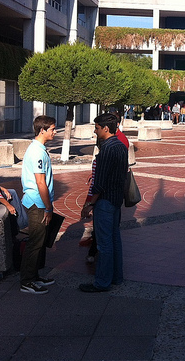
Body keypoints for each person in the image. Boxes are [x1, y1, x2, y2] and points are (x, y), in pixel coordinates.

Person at [79, 113, 128, 293]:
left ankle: (102, 282)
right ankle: (116, 277)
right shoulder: (121, 145)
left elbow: (99, 182)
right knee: (115, 239)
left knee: (104, 243)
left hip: (105, 201)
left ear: (106, 128)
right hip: (116, 199)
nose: (95, 131)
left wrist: (89, 204)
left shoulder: (107, 148)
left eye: (97, 128)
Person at [20, 115, 57, 295]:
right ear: (42, 130)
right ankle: (27, 281)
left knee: (39, 242)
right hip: (37, 203)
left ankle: (34, 276)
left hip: (38, 201)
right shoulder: (37, 152)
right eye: (52, 129)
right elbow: (40, 182)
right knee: (35, 242)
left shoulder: (39, 149)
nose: (54, 132)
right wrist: (48, 208)